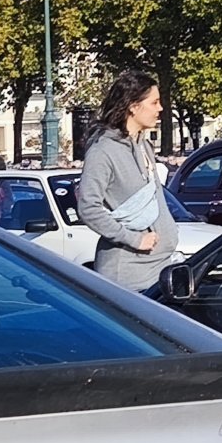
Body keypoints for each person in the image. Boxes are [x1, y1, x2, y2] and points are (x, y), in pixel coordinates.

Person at [76, 69, 179, 292]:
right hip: (128, 277)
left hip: (158, 269)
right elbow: (88, 207)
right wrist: (134, 239)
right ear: (133, 106)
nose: (161, 109)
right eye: (154, 102)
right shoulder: (103, 150)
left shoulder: (144, 145)